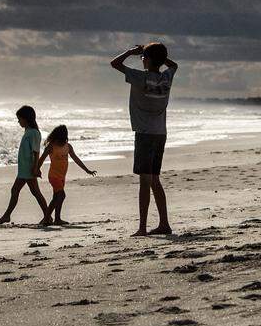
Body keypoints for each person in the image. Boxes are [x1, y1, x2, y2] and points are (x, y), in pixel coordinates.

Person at [110, 42, 178, 236]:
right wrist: (159, 57)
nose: (141, 60)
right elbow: (174, 66)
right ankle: (164, 223)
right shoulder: (166, 77)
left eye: (143, 58)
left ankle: (142, 227)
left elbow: (114, 63)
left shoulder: (140, 77)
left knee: (145, 182)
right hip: (160, 134)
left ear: (147, 60)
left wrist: (132, 52)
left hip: (144, 134)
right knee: (155, 179)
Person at [0, 106, 52, 226]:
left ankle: (7, 215)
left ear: (26, 119)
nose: (18, 121)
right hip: (24, 167)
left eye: (19, 119)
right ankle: (48, 216)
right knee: (34, 192)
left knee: (20, 190)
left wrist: (35, 168)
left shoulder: (34, 133)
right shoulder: (28, 132)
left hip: (29, 168)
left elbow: (36, 152)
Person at [35, 125, 96, 225]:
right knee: (61, 195)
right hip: (53, 176)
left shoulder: (68, 146)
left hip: (62, 176)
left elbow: (76, 159)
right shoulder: (51, 146)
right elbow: (41, 159)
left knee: (56, 197)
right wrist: (37, 170)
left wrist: (87, 170)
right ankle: (46, 218)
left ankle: (57, 219)